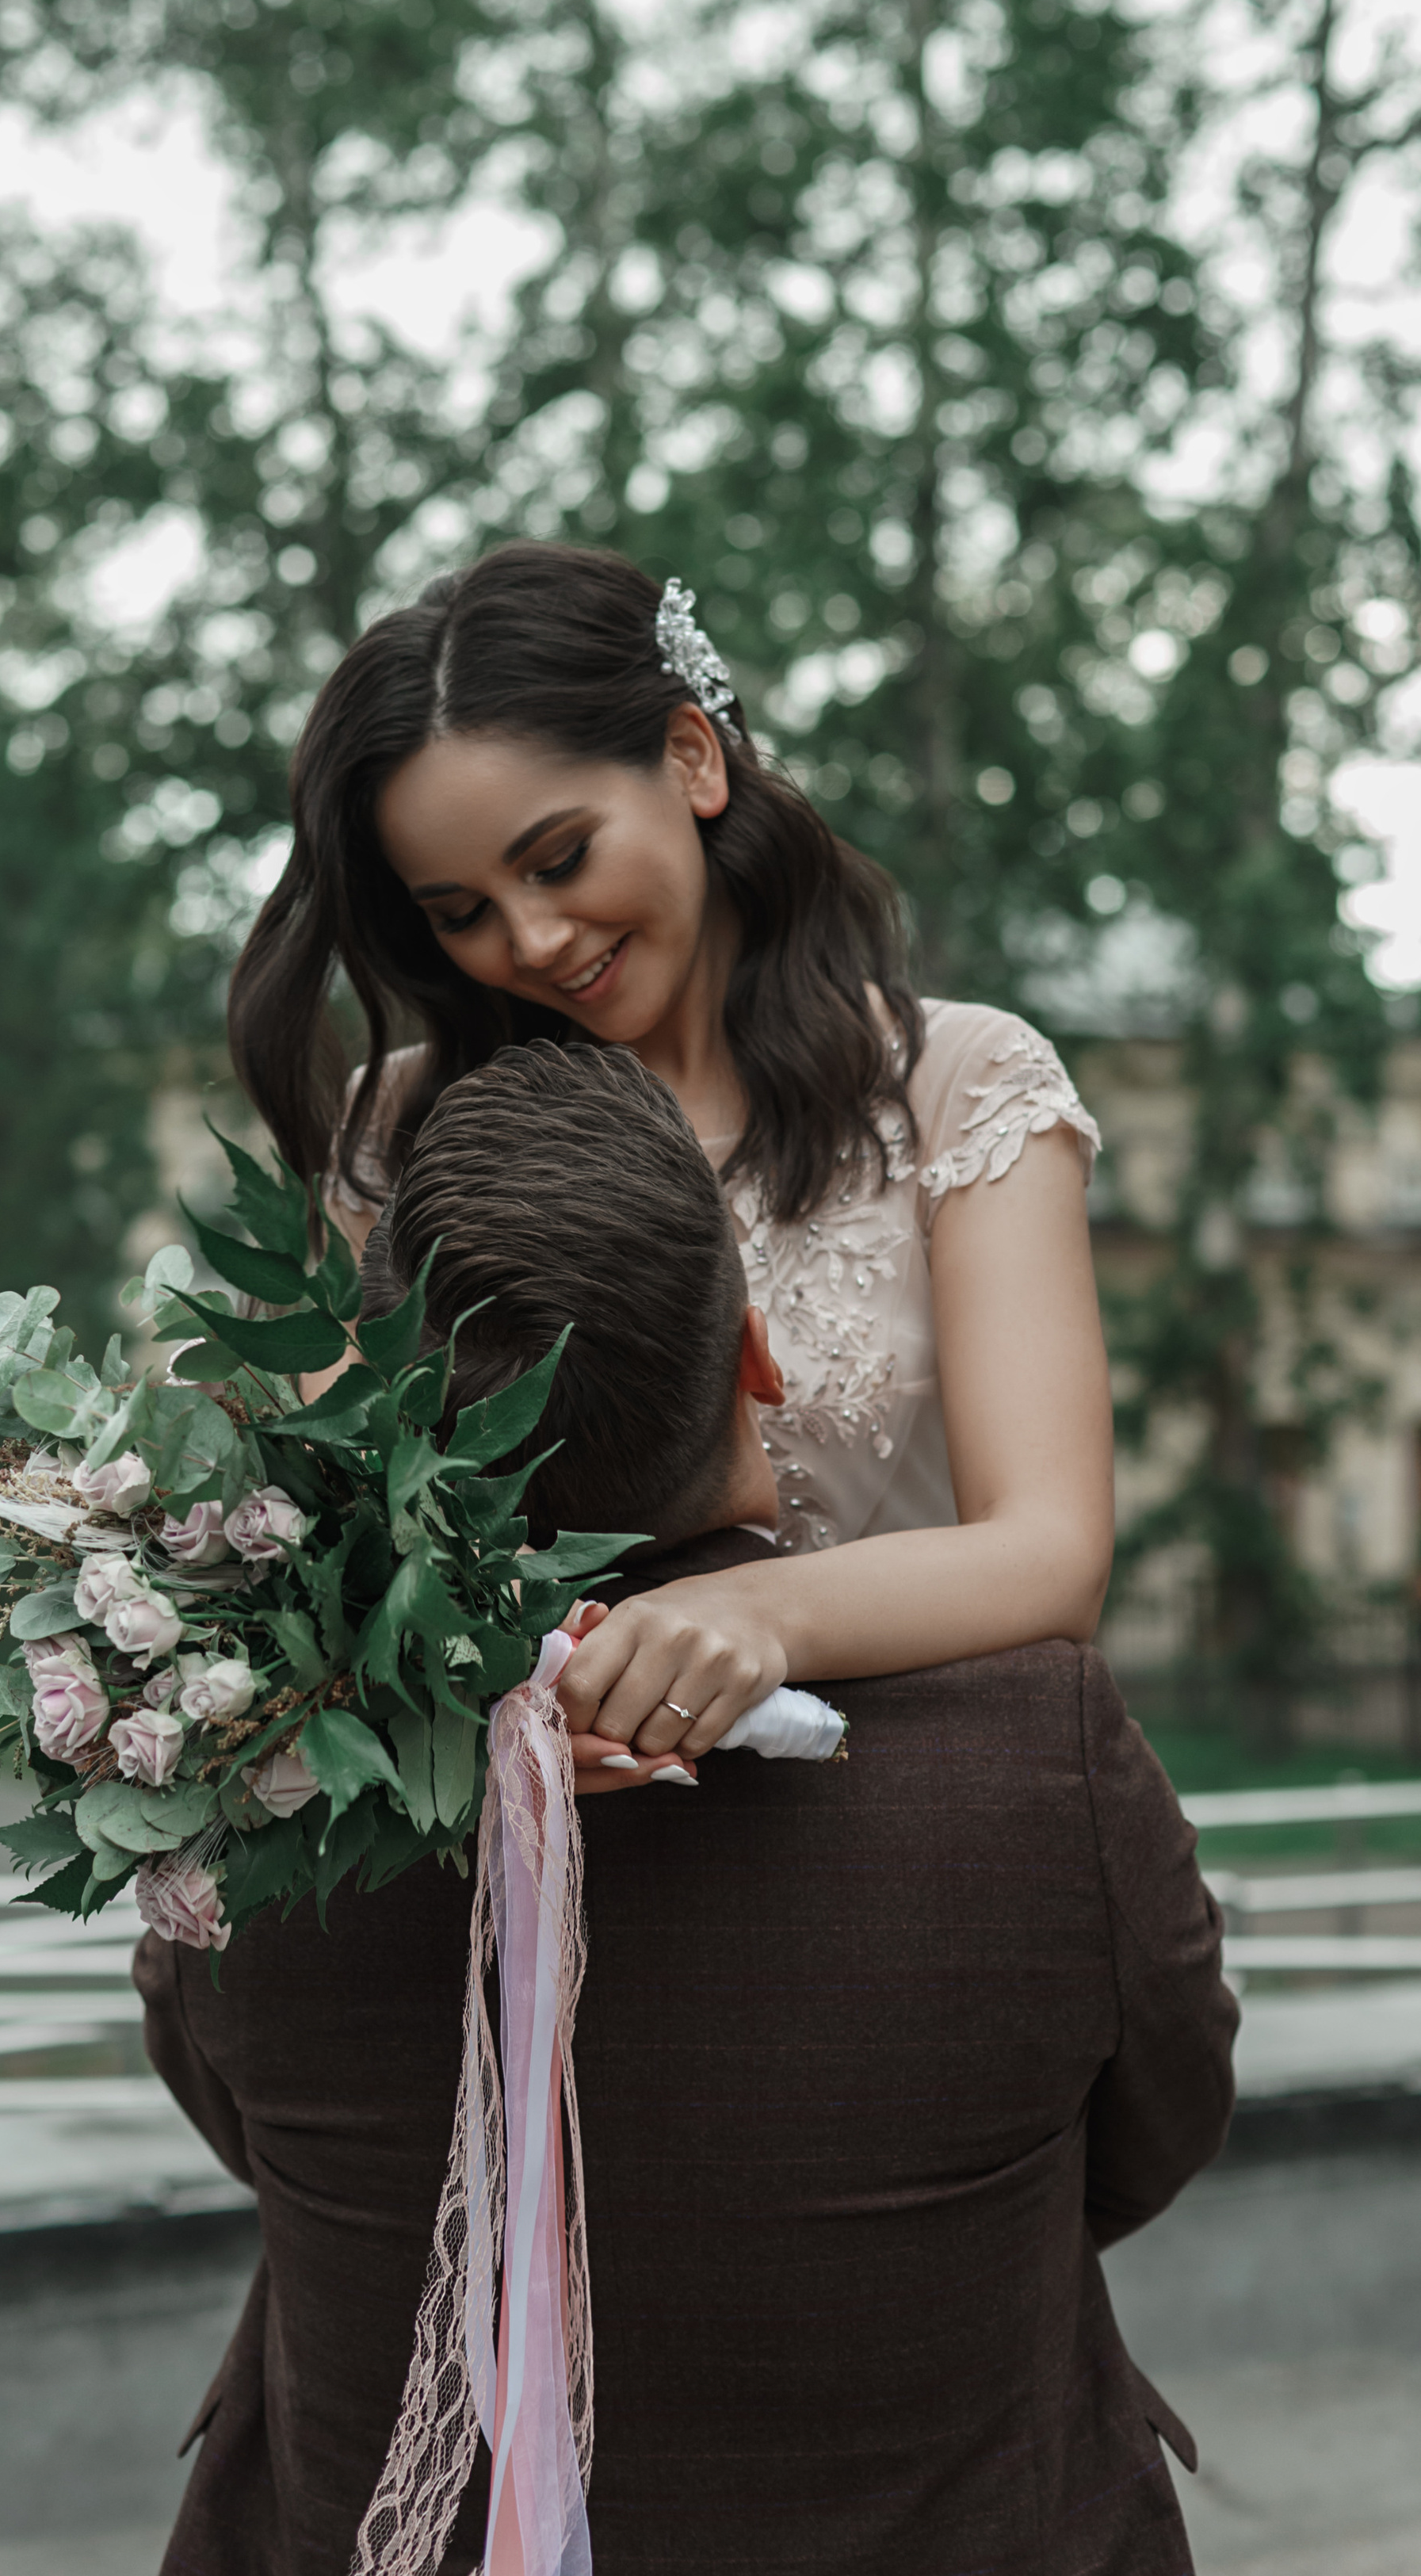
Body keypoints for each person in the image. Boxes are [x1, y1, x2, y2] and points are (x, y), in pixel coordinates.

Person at [135, 1042, 1237, 2576]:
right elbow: (1156, 2121)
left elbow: (241, 2123)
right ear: (757, 1358)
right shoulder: (1032, 1757)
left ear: (380, 1428)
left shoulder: (265, 1782)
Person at [227, 541, 1115, 1770]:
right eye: (460, 913)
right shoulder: (392, 1134)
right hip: (537, 1827)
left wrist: (748, 1618)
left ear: (692, 759)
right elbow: (330, 1540)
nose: (533, 940)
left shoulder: (964, 1087)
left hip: (898, 1801)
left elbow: (1053, 1552)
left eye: (558, 859)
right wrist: (510, 1692)